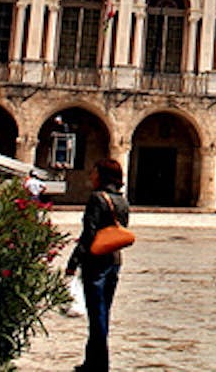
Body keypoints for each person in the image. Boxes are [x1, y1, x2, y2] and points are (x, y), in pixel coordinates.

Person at [66, 158, 130, 372]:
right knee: (103, 313)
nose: (91, 176)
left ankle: (99, 365)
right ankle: (92, 361)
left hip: (96, 262)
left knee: (97, 315)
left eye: (94, 172)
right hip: (114, 260)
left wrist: (73, 262)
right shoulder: (122, 201)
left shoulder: (96, 199)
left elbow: (89, 234)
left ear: (102, 175)